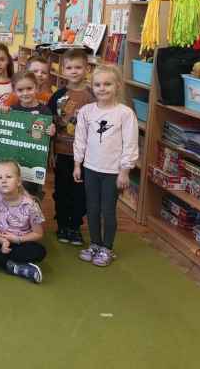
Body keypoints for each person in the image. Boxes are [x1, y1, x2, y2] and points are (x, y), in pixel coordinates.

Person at [74, 65, 139, 267]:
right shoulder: (86, 111)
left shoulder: (125, 114)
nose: (102, 88)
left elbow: (130, 144)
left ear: (117, 86)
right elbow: (80, 139)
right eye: (98, 84)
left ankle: (107, 248)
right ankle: (94, 243)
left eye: (107, 84)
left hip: (113, 172)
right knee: (92, 209)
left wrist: (125, 171)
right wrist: (78, 164)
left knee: (107, 210)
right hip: (91, 168)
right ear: (91, 87)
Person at [48, 48, 95, 246]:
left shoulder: (93, 95)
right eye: (69, 67)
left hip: (85, 155)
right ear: (63, 70)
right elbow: (47, 121)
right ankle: (62, 225)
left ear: (87, 69)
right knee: (61, 189)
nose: (74, 71)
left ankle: (75, 226)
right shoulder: (58, 95)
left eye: (78, 67)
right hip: (62, 152)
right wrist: (50, 151)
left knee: (80, 191)